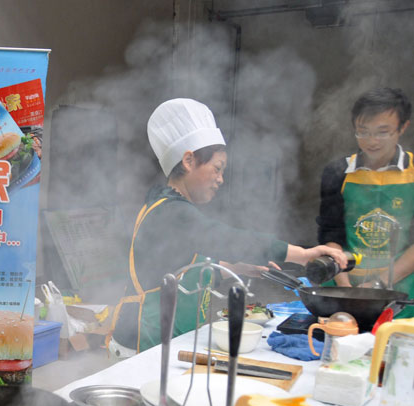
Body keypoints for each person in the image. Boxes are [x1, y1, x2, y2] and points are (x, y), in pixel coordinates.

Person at [110, 98, 347, 355]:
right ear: (189, 161)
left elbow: (187, 275)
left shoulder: (173, 209)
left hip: (162, 343)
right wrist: (302, 254)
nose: (220, 179)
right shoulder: (171, 212)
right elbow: (226, 239)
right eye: (217, 168)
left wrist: (236, 268)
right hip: (139, 344)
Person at [316, 87, 414, 306]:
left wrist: (379, 284)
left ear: (402, 128)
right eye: (363, 132)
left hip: (403, 284)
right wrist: (346, 290)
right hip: (345, 280)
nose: (372, 141)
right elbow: (331, 233)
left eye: (382, 132)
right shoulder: (337, 172)